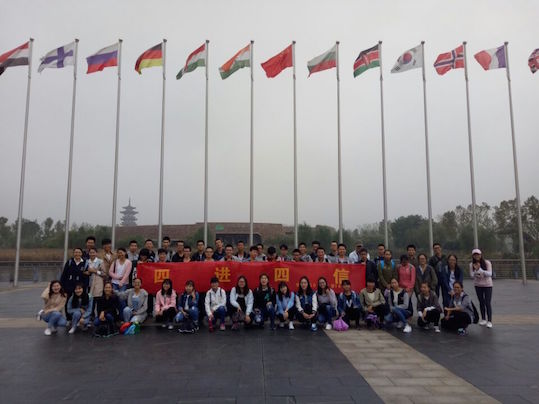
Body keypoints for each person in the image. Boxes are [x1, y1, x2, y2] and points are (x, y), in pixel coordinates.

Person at [470, 249, 493, 328]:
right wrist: (476, 271)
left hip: (487, 285)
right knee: (481, 302)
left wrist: (479, 269)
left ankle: (489, 320)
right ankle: (483, 319)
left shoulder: (487, 263)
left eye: (478, 254)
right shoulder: (471, 264)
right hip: (478, 285)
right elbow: (472, 275)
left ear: (481, 255)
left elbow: (490, 274)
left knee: (487, 302)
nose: (476, 256)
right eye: (475, 254)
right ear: (473, 256)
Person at [85, 247, 104, 314]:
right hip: (88, 284)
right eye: (90, 252)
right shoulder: (86, 262)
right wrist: (87, 272)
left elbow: (104, 273)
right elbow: (83, 271)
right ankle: (91, 315)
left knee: (97, 300)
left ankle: (98, 315)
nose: (92, 254)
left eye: (93, 252)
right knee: (89, 300)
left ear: (96, 253)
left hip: (97, 285)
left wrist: (95, 271)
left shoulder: (100, 262)